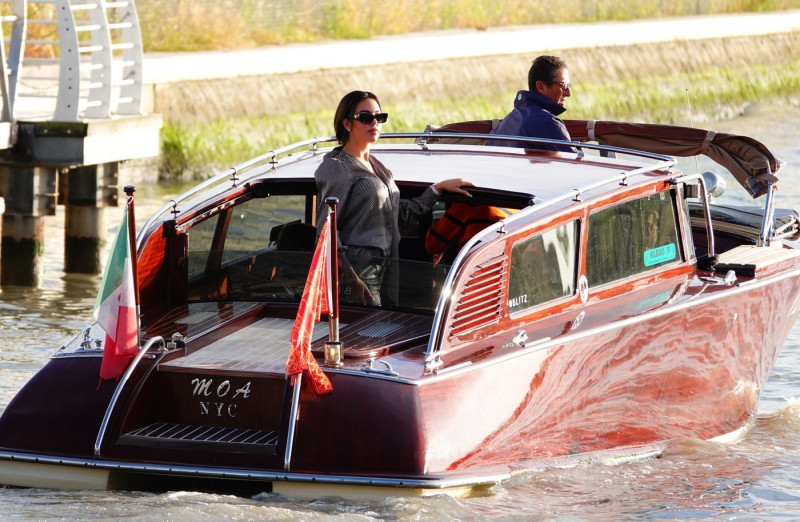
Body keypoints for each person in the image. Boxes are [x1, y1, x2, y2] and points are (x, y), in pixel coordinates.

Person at [315, 90, 473, 306]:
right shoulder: (337, 167)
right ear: (346, 123)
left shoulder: (378, 167)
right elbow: (326, 230)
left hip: (389, 269)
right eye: (365, 117)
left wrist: (437, 189)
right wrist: (350, 278)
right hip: (359, 274)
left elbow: (399, 217)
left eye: (379, 117)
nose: (374, 123)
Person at [489, 55, 577, 153]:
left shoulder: (507, 122)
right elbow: (574, 166)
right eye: (563, 85)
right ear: (541, 87)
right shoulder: (549, 123)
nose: (569, 93)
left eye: (569, 86)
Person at [425, 202, 513, 265]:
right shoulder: (515, 206)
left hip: (472, 277)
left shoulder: (468, 204)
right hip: (505, 275)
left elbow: (432, 245)